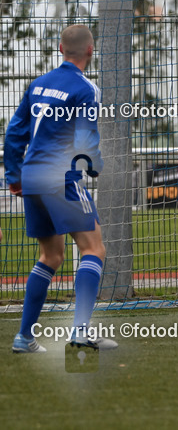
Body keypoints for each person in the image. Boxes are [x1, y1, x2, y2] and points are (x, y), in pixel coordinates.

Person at [5, 25, 115, 352]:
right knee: (94, 249)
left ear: (60, 48)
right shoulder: (86, 89)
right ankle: (80, 332)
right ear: (91, 51)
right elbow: (86, 140)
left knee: (51, 255)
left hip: (32, 175)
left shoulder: (38, 84)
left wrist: (14, 176)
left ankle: (24, 338)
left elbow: (14, 134)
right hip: (60, 176)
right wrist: (94, 166)